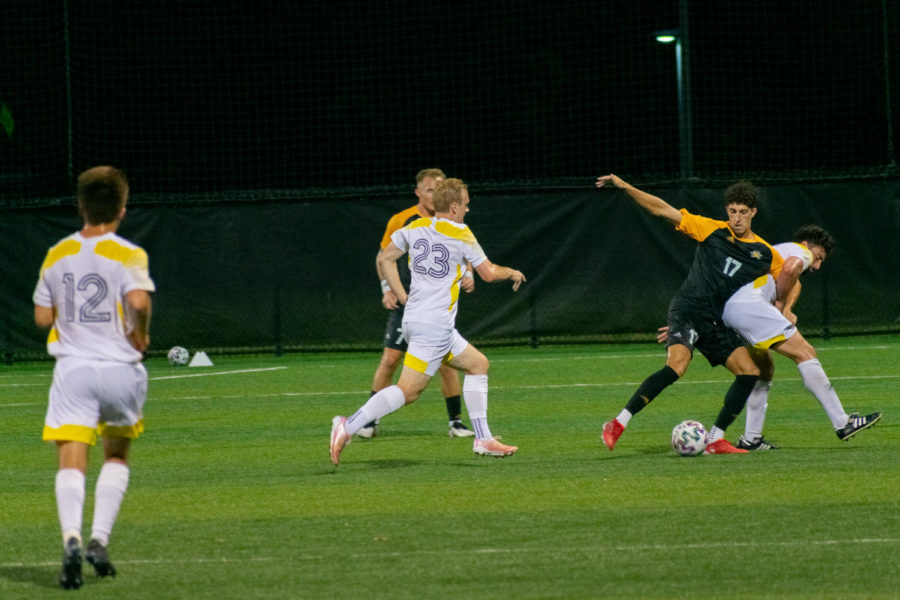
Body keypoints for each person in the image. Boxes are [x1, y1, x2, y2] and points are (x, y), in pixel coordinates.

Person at [330, 177, 526, 465]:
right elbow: (488, 272)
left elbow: (386, 258)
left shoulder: (416, 226)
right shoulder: (462, 233)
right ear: (455, 207)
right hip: (433, 328)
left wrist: (399, 293)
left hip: (418, 322)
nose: (468, 211)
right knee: (408, 391)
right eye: (467, 205)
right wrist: (512, 273)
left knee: (478, 364)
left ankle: (483, 438)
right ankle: (348, 426)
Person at [595, 174, 786, 454]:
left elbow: (790, 277)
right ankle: (617, 423)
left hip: (716, 321)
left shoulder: (766, 253)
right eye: (732, 211)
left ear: (753, 213)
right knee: (677, 367)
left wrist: (787, 306)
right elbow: (662, 209)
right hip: (689, 309)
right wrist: (625, 186)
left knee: (750, 372)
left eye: (743, 212)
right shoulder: (711, 229)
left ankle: (715, 439)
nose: (736, 218)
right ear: (727, 211)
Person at [33, 166, 154, 589]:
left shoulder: (57, 253)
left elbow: (42, 315)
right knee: (116, 456)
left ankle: (71, 539)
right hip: (121, 370)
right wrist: (140, 332)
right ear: (122, 208)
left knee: (72, 460)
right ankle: (99, 541)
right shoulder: (129, 253)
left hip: (74, 370)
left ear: (81, 206)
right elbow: (137, 300)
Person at [720, 224, 882, 448]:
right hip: (751, 308)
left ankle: (750, 438)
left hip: (733, 310)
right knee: (806, 353)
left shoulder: (779, 253)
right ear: (806, 246)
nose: (816, 265)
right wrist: (779, 304)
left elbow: (792, 280)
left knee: (763, 371)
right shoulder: (798, 251)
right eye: (818, 257)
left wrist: (785, 309)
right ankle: (842, 422)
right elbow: (790, 269)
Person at [358, 168, 476, 439]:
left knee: (447, 364)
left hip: (437, 305)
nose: (436, 194)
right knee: (390, 360)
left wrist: (468, 274)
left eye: (440, 189)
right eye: (431, 190)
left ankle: (455, 422)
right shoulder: (403, 220)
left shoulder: (451, 219)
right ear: (419, 193)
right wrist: (388, 289)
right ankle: (368, 421)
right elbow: (383, 257)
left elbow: (465, 250)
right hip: (408, 303)